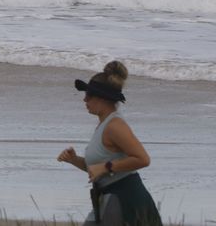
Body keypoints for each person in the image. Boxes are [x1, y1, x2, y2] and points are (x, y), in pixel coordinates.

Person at [56, 61, 161, 226]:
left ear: (102, 98)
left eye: (89, 95)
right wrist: (74, 160)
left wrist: (105, 167)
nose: (84, 99)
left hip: (125, 199)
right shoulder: (103, 125)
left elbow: (143, 159)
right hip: (108, 198)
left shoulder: (115, 125)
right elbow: (99, 168)